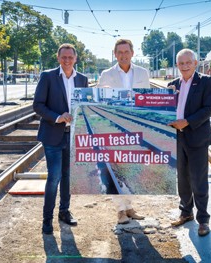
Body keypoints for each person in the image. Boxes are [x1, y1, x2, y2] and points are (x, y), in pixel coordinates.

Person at [33, 43, 88, 234]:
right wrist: (58, 117)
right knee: (54, 177)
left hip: (72, 136)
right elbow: (38, 105)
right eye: (63, 57)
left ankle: (64, 212)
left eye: (70, 57)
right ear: (58, 58)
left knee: (68, 177)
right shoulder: (47, 76)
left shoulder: (82, 79)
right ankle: (46, 220)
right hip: (53, 135)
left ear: (75, 59)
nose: (66, 60)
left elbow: (85, 106)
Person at [97, 39, 149, 224]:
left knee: (132, 169)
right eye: (119, 52)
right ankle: (120, 210)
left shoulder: (143, 72)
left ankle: (130, 207)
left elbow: (147, 98)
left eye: (126, 51)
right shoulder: (107, 74)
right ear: (115, 54)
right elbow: (99, 100)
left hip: (134, 128)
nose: (123, 55)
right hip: (114, 128)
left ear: (132, 53)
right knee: (113, 169)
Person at [167, 48, 211, 237]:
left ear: (195, 63)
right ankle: (186, 212)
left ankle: (203, 219)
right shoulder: (172, 84)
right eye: (181, 63)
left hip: (197, 137)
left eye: (188, 62)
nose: (185, 66)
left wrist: (186, 122)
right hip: (177, 138)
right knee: (183, 178)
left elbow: (207, 108)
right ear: (177, 65)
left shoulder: (205, 82)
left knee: (199, 179)